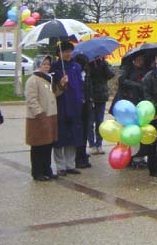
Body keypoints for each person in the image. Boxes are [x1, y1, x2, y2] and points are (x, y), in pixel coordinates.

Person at [25, 55, 63, 181]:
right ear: (38, 65)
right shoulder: (33, 80)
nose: (47, 66)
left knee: (48, 145)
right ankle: (37, 172)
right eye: (44, 64)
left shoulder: (48, 78)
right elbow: (31, 100)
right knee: (38, 146)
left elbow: (54, 94)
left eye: (48, 64)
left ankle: (47, 169)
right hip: (38, 119)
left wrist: (62, 84)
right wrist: (41, 114)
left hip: (50, 117)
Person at [51, 41, 84, 176]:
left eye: (70, 51)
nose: (68, 54)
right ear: (59, 53)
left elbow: (80, 84)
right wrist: (61, 82)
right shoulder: (54, 67)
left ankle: (70, 164)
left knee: (73, 136)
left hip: (75, 106)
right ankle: (60, 166)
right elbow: (53, 88)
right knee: (60, 137)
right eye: (65, 51)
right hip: (61, 106)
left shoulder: (77, 66)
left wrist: (81, 98)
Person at [87, 57, 114, 155]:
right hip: (90, 96)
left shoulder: (104, 63)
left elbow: (110, 75)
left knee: (100, 122)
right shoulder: (87, 64)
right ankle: (91, 144)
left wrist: (103, 64)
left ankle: (99, 144)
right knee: (90, 122)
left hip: (101, 96)